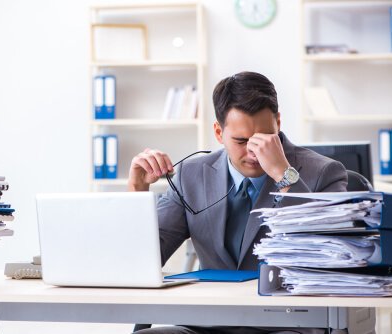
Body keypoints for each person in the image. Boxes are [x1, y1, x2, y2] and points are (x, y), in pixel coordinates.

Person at [128, 71, 348, 334]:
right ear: (219, 132)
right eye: (241, 141)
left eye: (265, 138)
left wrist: (284, 175)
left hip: (289, 323)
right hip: (208, 323)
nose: (253, 152)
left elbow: (330, 257)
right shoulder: (191, 175)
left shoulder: (324, 172)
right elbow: (143, 260)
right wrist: (137, 192)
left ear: (278, 123)